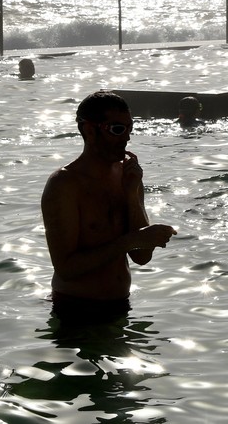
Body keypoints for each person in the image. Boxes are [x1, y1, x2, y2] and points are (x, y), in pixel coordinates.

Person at [41, 91, 177, 322]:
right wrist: (129, 241)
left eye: (129, 129)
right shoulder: (64, 185)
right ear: (89, 130)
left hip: (121, 306)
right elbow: (66, 268)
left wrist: (131, 194)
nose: (127, 138)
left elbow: (142, 256)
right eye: (117, 129)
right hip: (75, 310)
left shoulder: (128, 176)